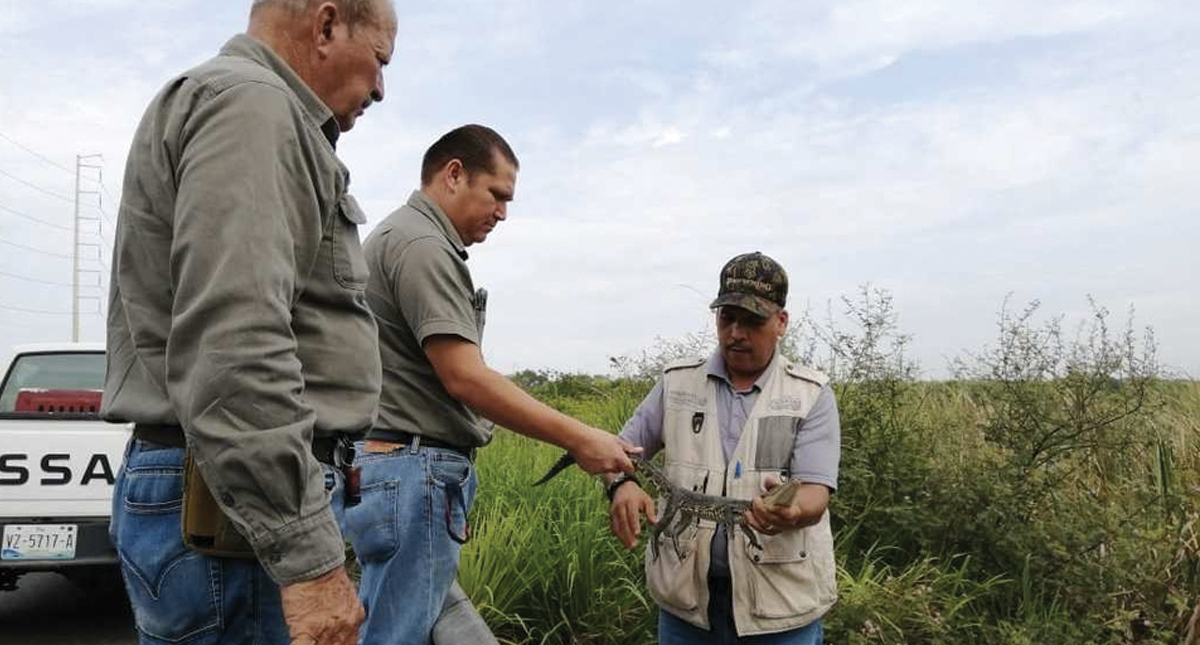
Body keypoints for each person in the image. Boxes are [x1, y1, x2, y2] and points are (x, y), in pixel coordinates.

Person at [101, 2, 396, 644]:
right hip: (230, 512)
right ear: (325, 26)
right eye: (379, 59)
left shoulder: (238, 103)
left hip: (224, 495)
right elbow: (237, 348)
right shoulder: (256, 108)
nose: (380, 87)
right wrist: (309, 562)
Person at [344, 124, 638, 645]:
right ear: (454, 174)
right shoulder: (421, 245)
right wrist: (580, 436)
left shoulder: (403, 237)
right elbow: (465, 376)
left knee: (425, 625)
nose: (502, 213)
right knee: (398, 634)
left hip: (403, 472)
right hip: (413, 470)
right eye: (497, 195)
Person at [608, 252, 840, 644]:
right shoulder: (677, 383)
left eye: (752, 321)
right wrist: (621, 484)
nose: (736, 333)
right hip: (687, 609)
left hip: (780, 612)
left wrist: (792, 511)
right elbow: (620, 451)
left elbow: (816, 491)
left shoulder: (810, 394)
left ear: (781, 322)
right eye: (727, 318)